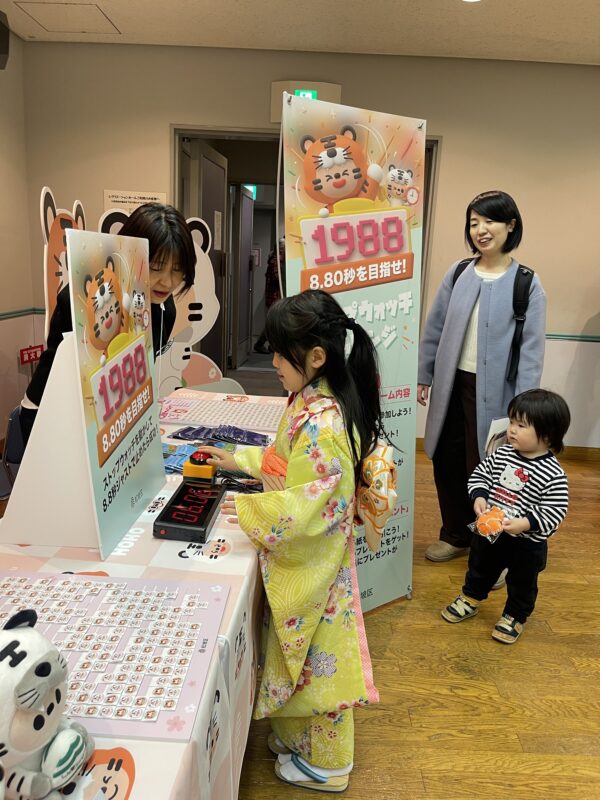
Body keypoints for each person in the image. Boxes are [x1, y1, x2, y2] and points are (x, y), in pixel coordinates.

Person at [204, 289, 381, 793]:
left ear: (316, 358)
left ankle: (328, 764)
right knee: (295, 660)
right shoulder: (310, 402)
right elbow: (285, 465)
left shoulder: (323, 421)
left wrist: (245, 509)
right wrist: (239, 459)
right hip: (310, 561)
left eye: (281, 353)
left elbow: (312, 508)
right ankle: (296, 739)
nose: (274, 361)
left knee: (321, 672)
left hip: (317, 566)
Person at [417, 190, 546, 563]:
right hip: (450, 385)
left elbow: (531, 351)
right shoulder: (458, 272)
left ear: (510, 225)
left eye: (489, 220)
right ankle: (455, 534)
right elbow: (435, 328)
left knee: (491, 470)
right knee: (446, 458)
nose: (480, 229)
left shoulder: (527, 283)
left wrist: (525, 408)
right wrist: (426, 375)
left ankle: (492, 548)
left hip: (498, 395)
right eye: (474, 222)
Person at [19, 202, 196, 446]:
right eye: (155, 267)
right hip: (50, 412)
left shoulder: (163, 308)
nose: (167, 282)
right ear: (130, 254)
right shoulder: (85, 300)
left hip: (107, 417)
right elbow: (67, 380)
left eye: (178, 270)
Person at [441, 389, 570, 644]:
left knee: (522, 582)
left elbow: (555, 510)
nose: (512, 429)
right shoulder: (502, 454)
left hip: (527, 543)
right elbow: (480, 476)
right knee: (480, 567)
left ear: (547, 434)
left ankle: (514, 615)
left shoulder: (553, 473)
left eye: (521, 425)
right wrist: (478, 496)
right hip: (491, 532)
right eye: (512, 422)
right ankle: (471, 597)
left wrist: (525, 523)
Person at [254, 237, 284, 353]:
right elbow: (277, 279)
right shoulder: (275, 261)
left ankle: (273, 345)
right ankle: (259, 343)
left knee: (276, 321)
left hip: (275, 295)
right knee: (273, 322)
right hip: (274, 296)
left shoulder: (275, 260)